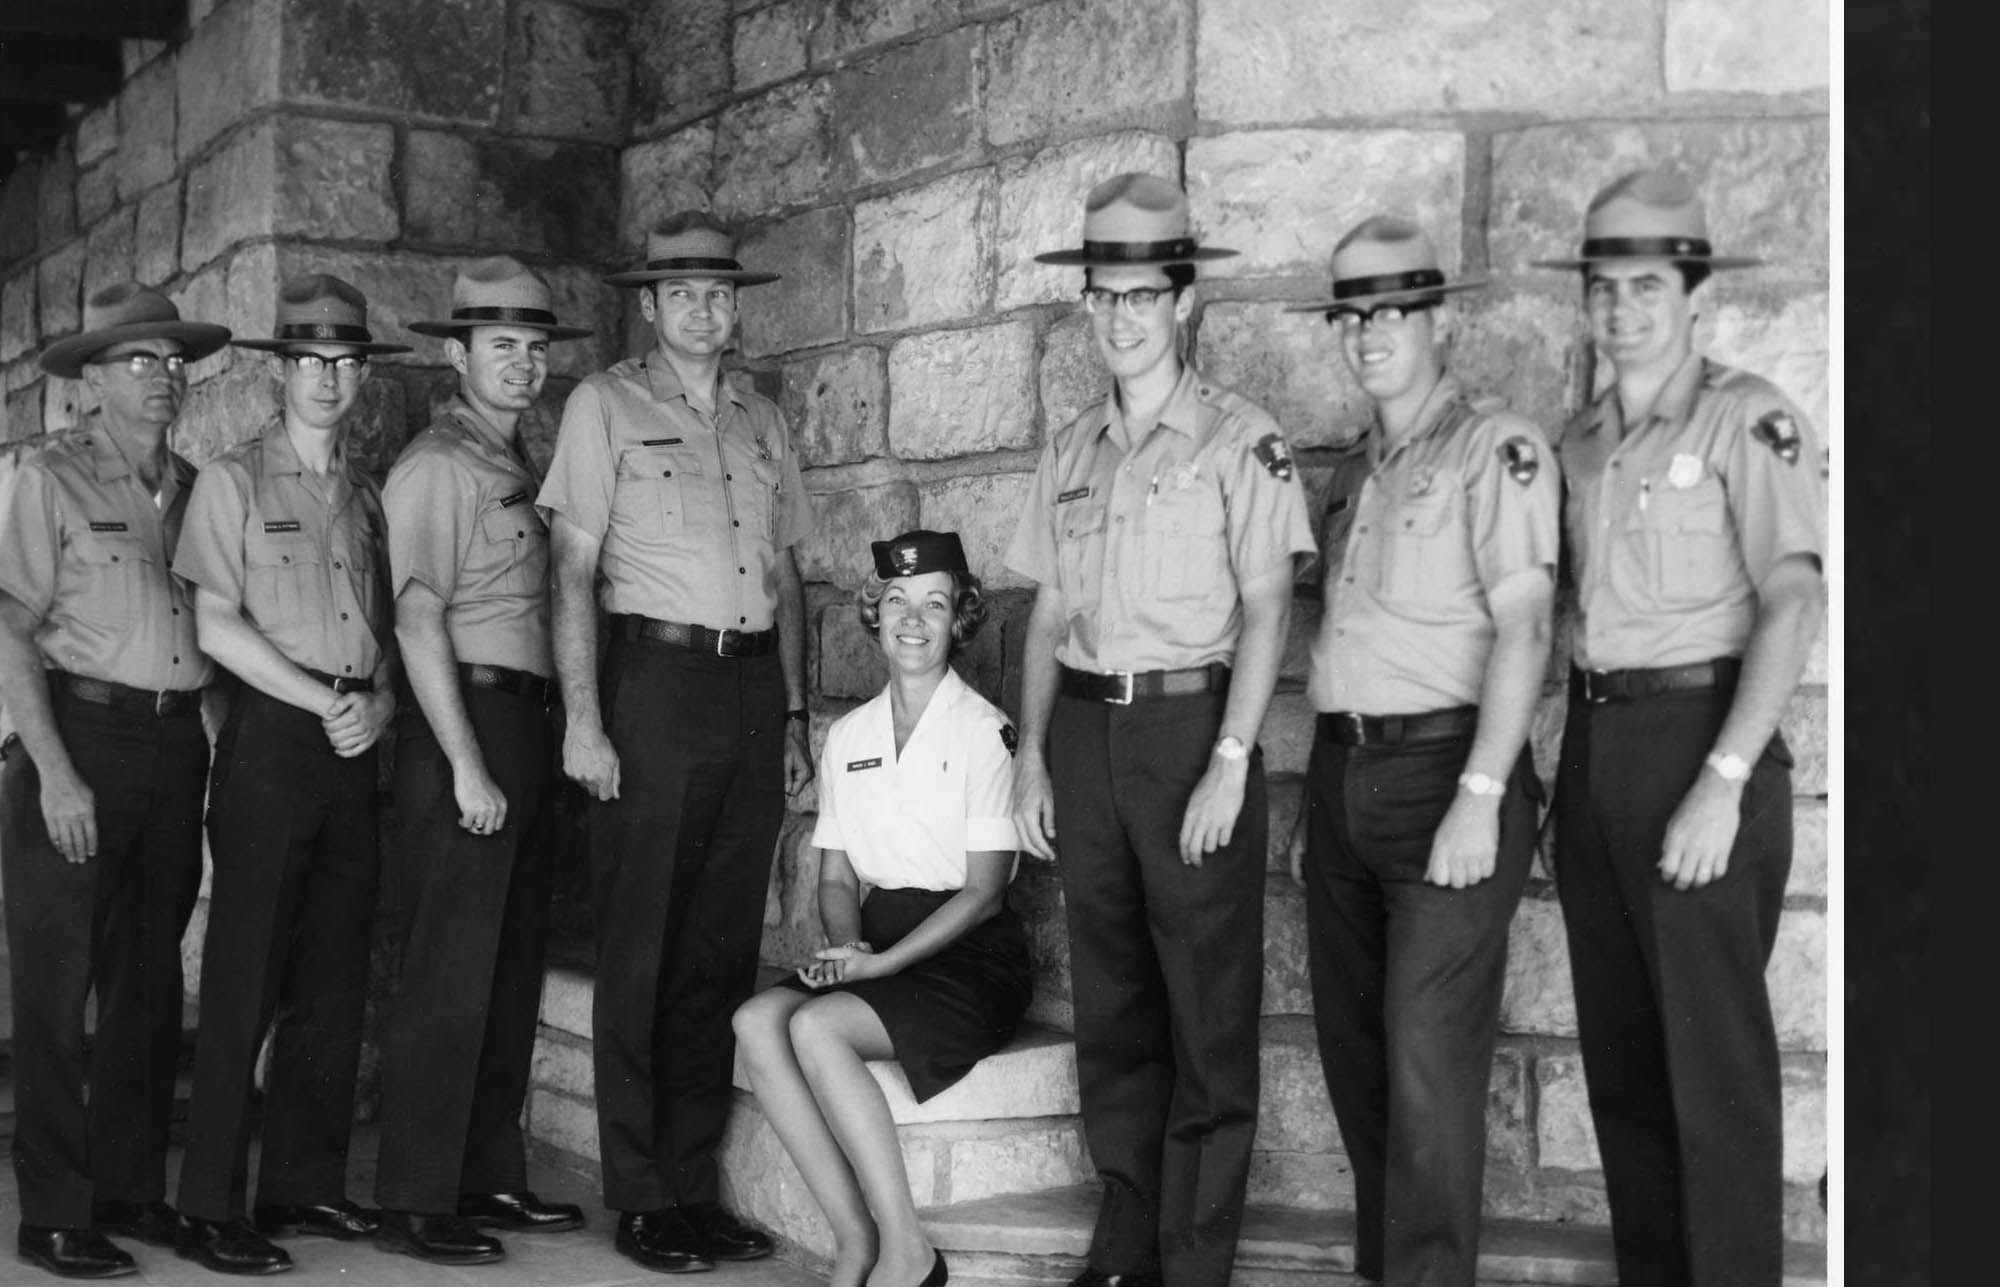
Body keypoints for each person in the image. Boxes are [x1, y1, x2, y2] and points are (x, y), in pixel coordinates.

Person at [1004, 173, 1315, 1287]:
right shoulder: (1073, 447)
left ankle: (1193, 1262)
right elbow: (1044, 612)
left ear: (1183, 301)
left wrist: (1233, 760)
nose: (1120, 315)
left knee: (1206, 1011)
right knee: (1114, 1000)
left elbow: (1270, 606)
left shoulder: (1242, 438)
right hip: (1088, 741)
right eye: (1103, 296)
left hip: (1192, 738)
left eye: (1142, 295)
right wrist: (1033, 757)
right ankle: (1126, 1238)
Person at [1533, 168, 1827, 1287]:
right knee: (1626, 1076)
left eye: (1645, 283)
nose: (1621, 308)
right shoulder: (1578, 446)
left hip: (1701, 745)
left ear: (1693, 292)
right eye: (1602, 287)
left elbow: (1794, 599)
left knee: (1712, 1083)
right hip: (1600, 752)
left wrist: (1721, 776)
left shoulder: (1746, 418)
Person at [1280, 217, 1558, 1287]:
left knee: (1426, 1064)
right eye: (1349, 315)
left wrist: (1482, 794)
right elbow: (1341, 651)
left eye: (1390, 312)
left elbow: (1524, 628)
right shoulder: (1352, 471)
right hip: (1348, 782)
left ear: (1437, 319)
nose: (1366, 334)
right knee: (1358, 1061)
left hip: (1451, 775)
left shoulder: (1496, 447)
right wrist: (1314, 797)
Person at [537, 211, 814, 1273]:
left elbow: (788, 577)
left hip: (748, 693)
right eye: (681, 290)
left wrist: (789, 717)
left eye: (719, 290)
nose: (704, 306)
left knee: (716, 953)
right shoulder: (603, 405)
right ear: (648, 304)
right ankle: (643, 1196)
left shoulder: (760, 416)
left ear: (735, 303)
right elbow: (570, 568)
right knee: (642, 951)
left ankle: (695, 1188)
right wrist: (584, 721)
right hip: (649, 683)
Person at [170, 275, 408, 1276]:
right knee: (246, 972)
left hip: (356, 742)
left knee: (332, 977)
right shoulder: (231, 480)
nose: (330, 379)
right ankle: (211, 1203)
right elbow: (214, 623)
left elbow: (386, 635)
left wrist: (382, 704)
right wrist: (324, 704)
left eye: (347, 363)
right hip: (276, 735)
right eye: (311, 361)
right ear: (281, 371)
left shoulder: (364, 492)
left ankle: (303, 1186)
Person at [0, 285, 231, 1280]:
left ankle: (130, 1191)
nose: (163, 378)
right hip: (77, 741)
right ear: (90, 382)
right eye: (140, 362)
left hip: (174, 747)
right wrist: (53, 774)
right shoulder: (47, 478)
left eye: (175, 362)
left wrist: (215, 762)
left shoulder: (197, 487)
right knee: (56, 993)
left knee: (146, 986)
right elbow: (8, 629)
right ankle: (53, 1211)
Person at [369, 257, 593, 1265]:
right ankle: (416, 1198)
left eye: (537, 347)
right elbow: (417, 619)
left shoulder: (520, 460)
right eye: (501, 345)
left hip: (529, 726)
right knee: (450, 968)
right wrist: (465, 765)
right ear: (456, 354)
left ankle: (487, 1175)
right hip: (467, 723)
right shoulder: (434, 464)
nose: (524, 364)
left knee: (507, 969)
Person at [734, 529, 1030, 1287]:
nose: (912, 618)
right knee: (753, 1023)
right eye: (896, 598)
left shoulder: (984, 731)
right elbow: (835, 875)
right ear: (875, 610)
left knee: (819, 1025)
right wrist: (846, 946)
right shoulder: (849, 736)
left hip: (969, 953)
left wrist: (877, 966)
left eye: (934, 603)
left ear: (959, 618)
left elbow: (985, 890)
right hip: (876, 938)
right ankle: (854, 1239)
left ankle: (908, 1251)